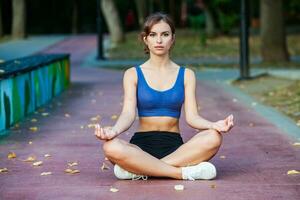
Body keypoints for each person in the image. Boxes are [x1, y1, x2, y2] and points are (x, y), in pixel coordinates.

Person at [95, 12, 234, 181]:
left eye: (165, 34)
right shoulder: (133, 74)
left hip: (175, 147)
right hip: (140, 146)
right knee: (111, 147)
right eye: (153, 35)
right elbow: (128, 113)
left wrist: (214, 125)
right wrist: (114, 130)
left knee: (213, 136)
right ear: (145, 39)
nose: (159, 41)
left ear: (173, 39)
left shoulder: (186, 75)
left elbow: (192, 117)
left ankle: (140, 170)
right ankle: (180, 173)